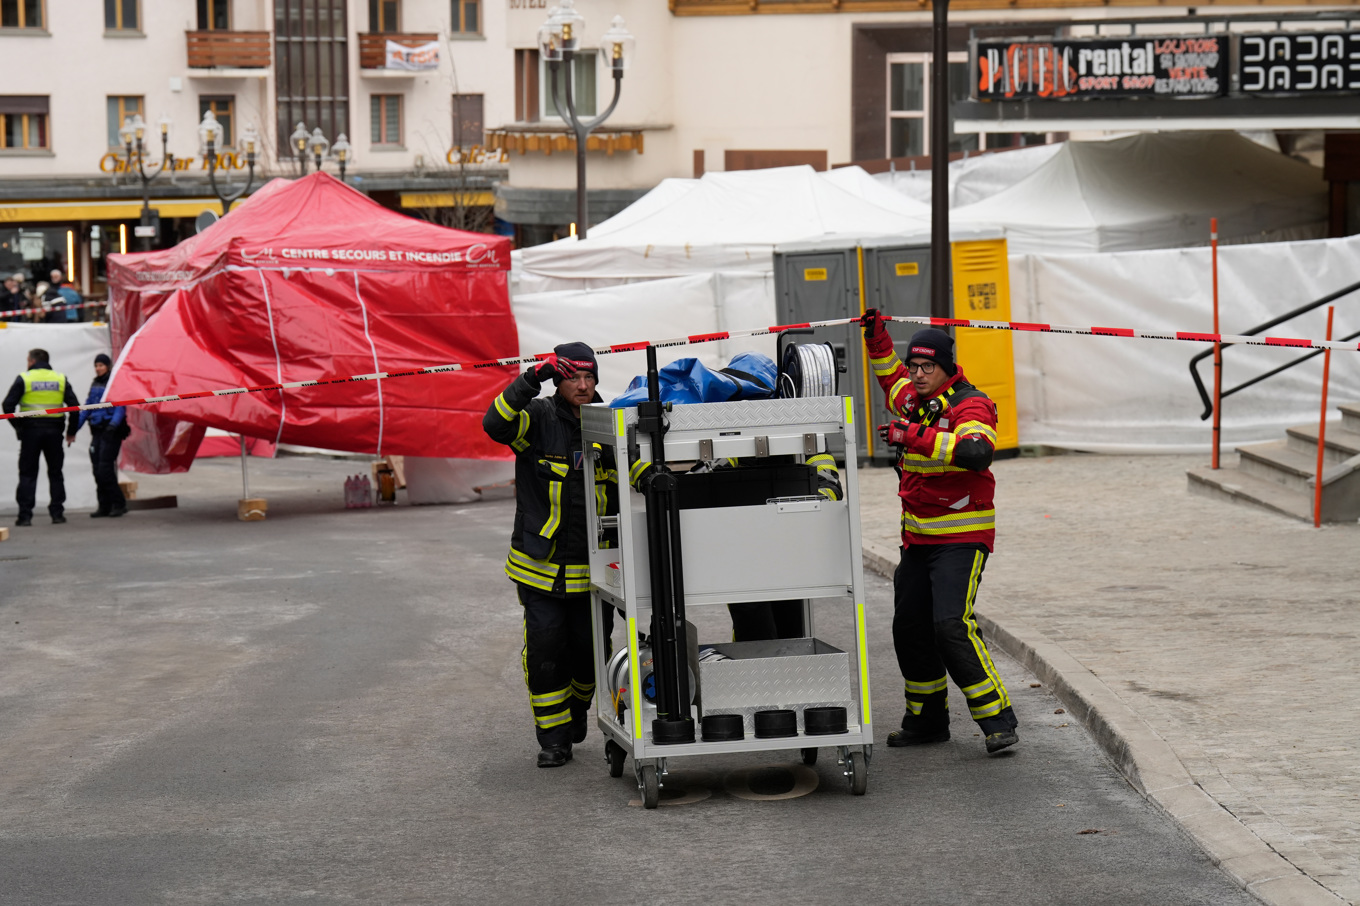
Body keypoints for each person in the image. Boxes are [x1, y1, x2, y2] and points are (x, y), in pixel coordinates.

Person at [860, 310, 1019, 755]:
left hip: (961, 538)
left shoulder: (971, 404)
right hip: (918, 540)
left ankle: (997, 720)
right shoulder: (912, 397)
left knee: (950, 625)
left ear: (948, 368)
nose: (918, 374)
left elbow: (975, 452)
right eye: (915, 366)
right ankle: (927, 721)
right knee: (909, 629)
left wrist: (913, 436)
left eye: (928, 366)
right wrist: (877, 339)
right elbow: (889, 377)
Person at [482, 342, 619, 768]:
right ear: (558, 380)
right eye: (573, 377)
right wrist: (528, 379)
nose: (582, 385)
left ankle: (577, 711)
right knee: (545, 653)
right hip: (539, 569)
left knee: (588, 655)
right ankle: (554, 740)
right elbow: (495, 424)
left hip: (593, 572)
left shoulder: (608, 422)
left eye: (588, 377)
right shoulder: (538, 417)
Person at [3, 348, 80, 527]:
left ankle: (25, 516)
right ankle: (57, 514)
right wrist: (71, 431)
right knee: (55, 472)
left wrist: (19, 427)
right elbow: (74, 406)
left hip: (30, 431)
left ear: (31, 361)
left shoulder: (24, 378)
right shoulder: (60, 378)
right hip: (54, 432)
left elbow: (7, 405)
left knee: (28, 473)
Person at [75, 353, 128, 518]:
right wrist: (73, 428)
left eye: (101, 365)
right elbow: (88, 407)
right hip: (97, 431)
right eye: (96, 365)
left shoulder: (113, 383)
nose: (98, 368)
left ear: (108, 366)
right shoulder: (95, 384)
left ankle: (118, 504)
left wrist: (113, 425)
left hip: (110, 431)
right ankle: (104, 506)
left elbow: (120, 406)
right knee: (97, 469)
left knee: (105, 468)